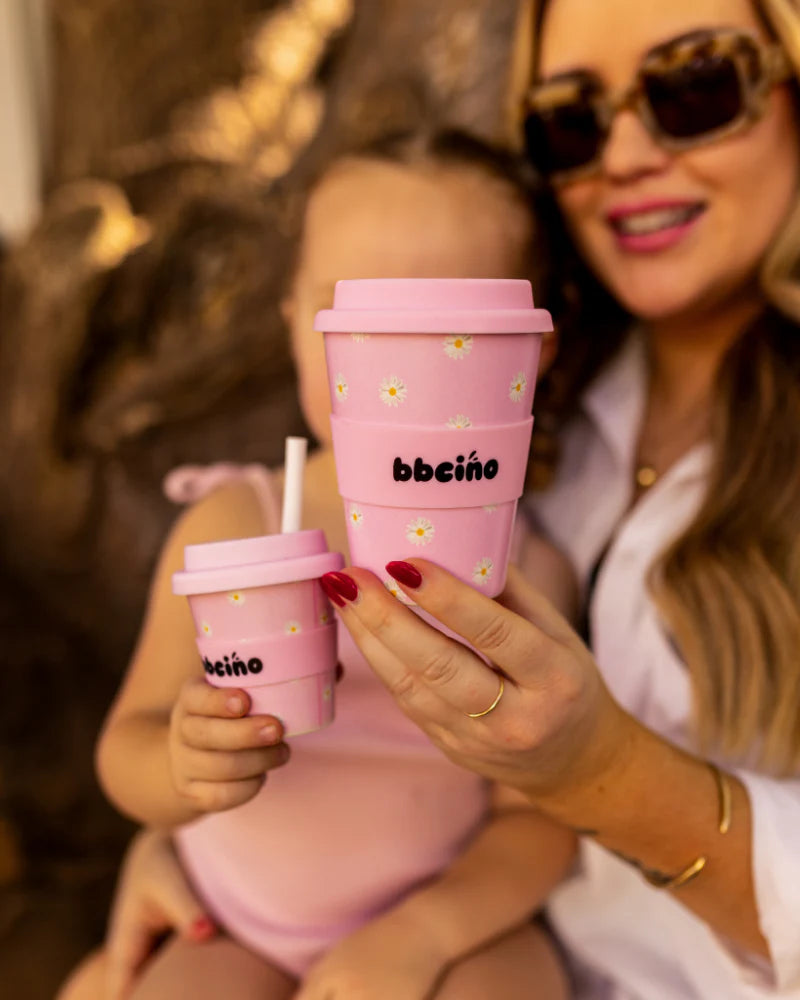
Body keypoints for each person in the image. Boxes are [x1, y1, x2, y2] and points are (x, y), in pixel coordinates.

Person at [316, 1, 800, 998]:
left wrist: (599, 774)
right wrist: (210, 854)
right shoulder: (527, 409)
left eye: (694, 86)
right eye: (569, 120)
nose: (621, 156)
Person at [58, 130, 577, 1000]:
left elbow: (540, 820)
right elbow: (129, 746)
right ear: (295, 322)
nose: (391, 356)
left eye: (441, 323)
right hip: (237, 925)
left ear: (526, 353)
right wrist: (182, 764)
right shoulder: (237, 525)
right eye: (350, 314)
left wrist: (425, 935)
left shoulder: (528, 573)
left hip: (443, 922)